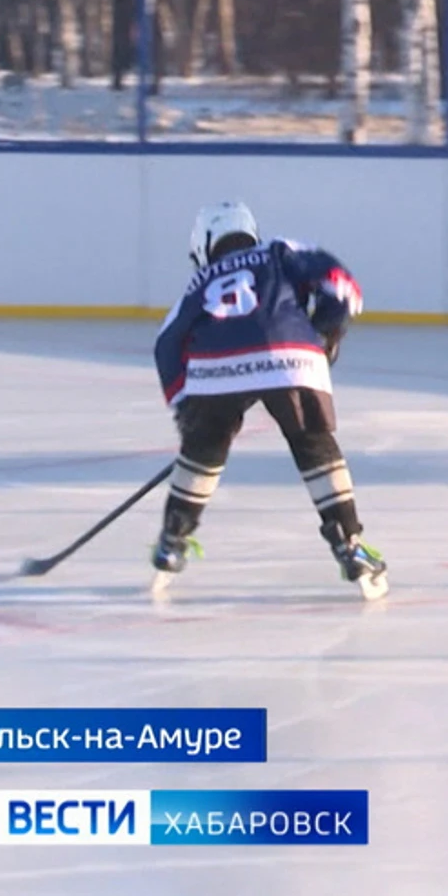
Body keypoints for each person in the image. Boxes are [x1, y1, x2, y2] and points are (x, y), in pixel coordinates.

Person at [150, 201, 386, 599]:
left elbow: (167, 342)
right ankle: (350, 546)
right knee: (313, 443)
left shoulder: (202, 279)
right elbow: (341, 283)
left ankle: (172, 541)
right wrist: (326, 330)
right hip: (291, 353)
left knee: (203, 450)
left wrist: (184, 403)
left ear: (205, 244)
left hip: (217, 363)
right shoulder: (280, 250)